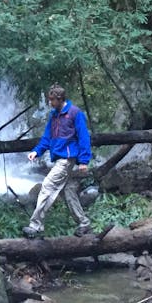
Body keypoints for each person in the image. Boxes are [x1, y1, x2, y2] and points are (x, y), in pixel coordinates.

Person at [22, 84, 93, 238]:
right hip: (59, 159)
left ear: (60, 99)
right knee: (68, 191)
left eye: (52, 100)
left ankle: (35, 225)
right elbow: (47, 138)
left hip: (67, 159)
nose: (50, 103)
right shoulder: (54, 115)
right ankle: (84, 223)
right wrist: (36, 151)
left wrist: (84, 161)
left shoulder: (75, 113)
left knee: (47, 186)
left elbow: (84, 137)